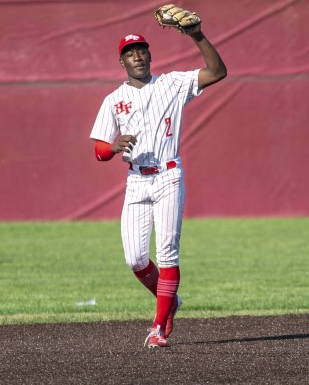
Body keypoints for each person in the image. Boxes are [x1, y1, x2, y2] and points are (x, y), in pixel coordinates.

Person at [89, 22, 226, 347]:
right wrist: (113, 146)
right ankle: (170, 300)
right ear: (121, 62)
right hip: (137, 179)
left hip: (168, 175)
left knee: (166, 254)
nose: (136, 56)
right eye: (129, 53)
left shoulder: (173, 84)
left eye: (141, 50)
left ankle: (159, 327)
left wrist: (197, 35)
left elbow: (217, 72)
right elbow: (98, 151)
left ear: (149, 55)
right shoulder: (113, 100)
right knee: (135, 259)